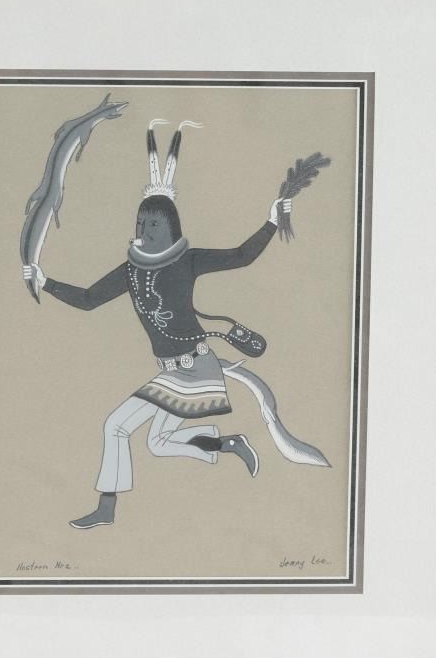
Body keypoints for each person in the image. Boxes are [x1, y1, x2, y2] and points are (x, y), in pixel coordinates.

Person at [23, 120, 291, 529]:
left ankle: (107, 509)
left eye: (152, 224)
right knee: (158, 443)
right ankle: (228, 443)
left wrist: (271, 221)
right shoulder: (131, 270)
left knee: (116, 426)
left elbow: (242, 256)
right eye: (140, 224)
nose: (143, 231)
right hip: (172, 371)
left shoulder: (188, 260)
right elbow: (90, 299)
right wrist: (47, 281)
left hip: (195, 367)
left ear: (169, 227)